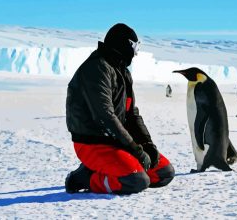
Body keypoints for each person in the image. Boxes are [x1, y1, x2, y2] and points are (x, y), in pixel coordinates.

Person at [65, 23, 175, 194]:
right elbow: (105, 116)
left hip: (118, 140)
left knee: (163, 173)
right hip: (92, 142)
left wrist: (147, 145)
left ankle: (110, 168)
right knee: (136, 181)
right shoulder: (97, 68)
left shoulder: (122, 71)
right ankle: (87, 178)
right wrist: (136, 151)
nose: (136, 52)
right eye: (134, 46)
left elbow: (132, 114)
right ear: (124, 45)